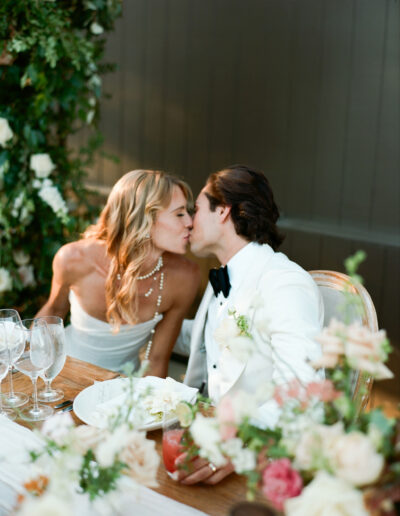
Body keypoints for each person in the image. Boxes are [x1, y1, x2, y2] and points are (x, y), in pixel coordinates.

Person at [174, 164, 323, 484]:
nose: (188, 222)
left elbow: (302, 396)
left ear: (223, 211)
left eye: (195, 210)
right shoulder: (222, 276)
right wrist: (146, 316)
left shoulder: (284, 283)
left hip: (262, 461)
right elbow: (204, 341)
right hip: (207, 439)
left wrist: (238, 441)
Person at [35, 169, 200, 377]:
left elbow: (157, 359)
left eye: (188, 212)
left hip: (124, 384)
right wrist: (37, 371)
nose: (190, 222)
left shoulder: (186, 276)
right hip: (65, 371)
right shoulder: (73, 258)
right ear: (143, 218)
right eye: (179, 214)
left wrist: (146, 406)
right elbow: (53, 313)